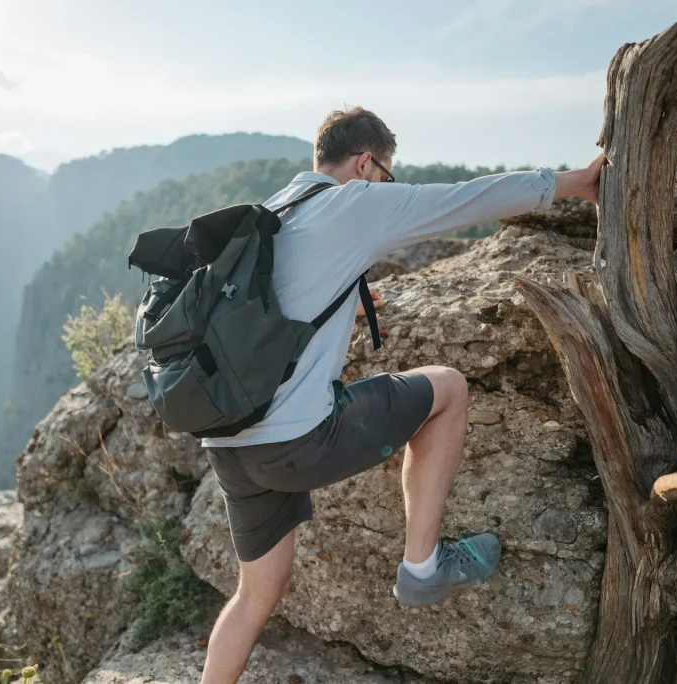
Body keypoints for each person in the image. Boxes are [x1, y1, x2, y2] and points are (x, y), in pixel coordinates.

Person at [198, 107, 605, 683]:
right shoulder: (354, 202)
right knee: (449, 387)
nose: (386, 185)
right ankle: (422, 567)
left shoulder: (275, 211)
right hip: (295, 442)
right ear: (366, 163)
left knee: (255, 594)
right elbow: (468, 198)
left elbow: (273, 311)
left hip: (230, 445)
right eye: (386, 175)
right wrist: (574, 182)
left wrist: (343, 304)